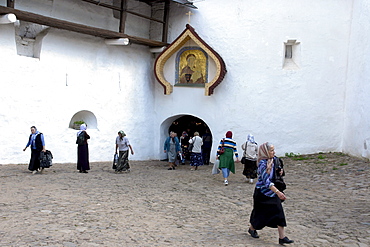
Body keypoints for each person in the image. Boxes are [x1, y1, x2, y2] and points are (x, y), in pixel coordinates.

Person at [248, 142, 294, 245]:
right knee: (260, 215)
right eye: (271, 150)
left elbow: (279, 170)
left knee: (279, 212)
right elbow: (266, 181)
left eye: (274, 150)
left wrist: (280, 171)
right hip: (262, 193)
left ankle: (282, 237)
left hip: (272, 193)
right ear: (265, 152)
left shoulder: (275, 160)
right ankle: (252, 228)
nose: (274, 152)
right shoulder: (262, 164)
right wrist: (278, 192)